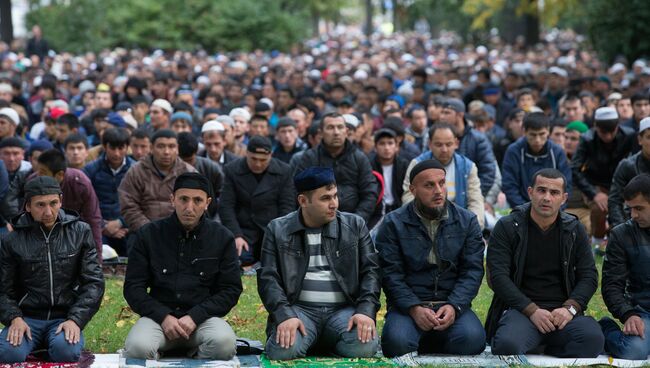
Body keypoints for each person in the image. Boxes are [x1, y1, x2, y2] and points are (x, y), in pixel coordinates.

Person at [257, 167, 381, 360]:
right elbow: (268, 278)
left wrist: (365, 311)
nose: (334, 204)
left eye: (335, 196)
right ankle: (313, 341)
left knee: (365, 345)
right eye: (325, 198)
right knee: (283, 350)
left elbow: (371, 272)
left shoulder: (355, 226)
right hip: (299, 310)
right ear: (303, 201)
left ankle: (321, 343)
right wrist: (284, 315)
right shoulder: (277, 229)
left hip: (343, 311)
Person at [123, 173, 242, 360]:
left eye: (197, 201)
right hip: (158, 320)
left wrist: (195, 316)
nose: (189, 207)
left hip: (202, 320)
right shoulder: (148, 235)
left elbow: (230, 290)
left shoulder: (222, 237)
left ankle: (194, 355)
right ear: (172, 200)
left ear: (207, 203)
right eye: (183, 199)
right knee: (138, 348)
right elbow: (133, 288)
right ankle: (165, 349)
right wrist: (163, 316)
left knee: (224, 343)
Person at [485, 168, 603, 357]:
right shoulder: (507, 226)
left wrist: (569, 308)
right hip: (522, 311)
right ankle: (539, 341)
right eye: (541, 190)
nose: (547, 197)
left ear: (564, 198)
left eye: (554, 192)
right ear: (530, 192)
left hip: (562, 314)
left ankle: (544, 344)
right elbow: (497, 277)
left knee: (593, 340)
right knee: (507, 346)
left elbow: (589, 276)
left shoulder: (575, 229)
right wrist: (531, 310)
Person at [376, 159, 486, 357]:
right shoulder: (393, 223)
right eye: (429, 185)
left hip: (450, 304)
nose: (438, 190)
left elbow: (473, 271)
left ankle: (427, 338)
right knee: (396, 344)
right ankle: (423, 336)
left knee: (473, 340)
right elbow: (390, 274)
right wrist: (414, 308)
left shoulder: (467, 221)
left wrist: (454, 306)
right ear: (413, 189)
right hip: (409, 307)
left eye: (442, 183)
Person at [0, 177, 104, 363]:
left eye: (53, 203)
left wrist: (75, 320)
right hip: (26, 318)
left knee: (66, 352)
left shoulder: (81, 232)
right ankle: (40, 346)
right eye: (40, 205)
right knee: (9, 354)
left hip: (64, 317)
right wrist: (14, 318)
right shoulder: (11, 240)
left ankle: (48, 345)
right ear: (28, 206)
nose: (48, 211)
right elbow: (2, 288)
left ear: (61, 201)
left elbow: (94, 283)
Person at [219, 136, 295, 269]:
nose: (258, 164)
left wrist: (281, 235)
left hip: (272, 228)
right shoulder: (232, 169)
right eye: (253, 159)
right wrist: (236, 235)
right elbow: (226, 206)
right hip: (243, 229)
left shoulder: (284, 171)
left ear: (270, 156)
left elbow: (287, 206)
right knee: (240, 257)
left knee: (280, 260)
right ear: (246, 153)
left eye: (263, 160)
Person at [292, 113, 378, 222]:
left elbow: (370, 193)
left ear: (346, 132)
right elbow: (297, 191)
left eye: (340, 127)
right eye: (330, 128)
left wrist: (357, 220)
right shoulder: (309, 158)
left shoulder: (359, 158)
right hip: (317, 220)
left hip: (353, 220)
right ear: (321, 133)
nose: (336, 132)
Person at [600, 174, 650, 360]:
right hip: (643, 312)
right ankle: (604, 329)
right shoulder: (621, 235)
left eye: (639, 208)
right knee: (633, 350)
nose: (633, 215)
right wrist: (628, 314)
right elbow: (611, 285)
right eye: (630, 209)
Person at [571, 106, 635, 247]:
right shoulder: (587, 139)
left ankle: (620, 242)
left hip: (623, 183)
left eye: (611, 132)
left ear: (617, 126)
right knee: (600, 207)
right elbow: (575, 169)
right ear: (595, 127)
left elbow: (636, 161)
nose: (608, 136)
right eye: (603, 132)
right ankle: (597, 242)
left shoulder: (629, 136)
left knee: (626, 210)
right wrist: (594, 193)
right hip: (596, 184)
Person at [402, 123, 485, 228]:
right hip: (424, 222)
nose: (444, 149)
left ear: (456, 143)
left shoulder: (468, 167)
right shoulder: (417, 164)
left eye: (449, 144)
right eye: (439, 145)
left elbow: (475, 200)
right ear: (430, 144)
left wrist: (474, 227)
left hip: (460, 223)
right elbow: (408, 197)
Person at [119, 129, 196, 232]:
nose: (166, 152)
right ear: (151, 148)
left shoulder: (189, 173)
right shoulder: (137, 171)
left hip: (180, 232)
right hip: (144, 232)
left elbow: (197, 205)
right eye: (161, 146)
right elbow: (129, 206)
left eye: (171, 146)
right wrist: (149, 230)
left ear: (177, 149)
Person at [32, 149, 103, 258]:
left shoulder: (80, 183)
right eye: (38, 171)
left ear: (60, 175)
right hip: (40, 234)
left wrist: (97, 260)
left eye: (43, 172)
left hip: (74, 234)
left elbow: (93, 220)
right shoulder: (33, 183)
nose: (38, 175)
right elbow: (25, 218)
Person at [83, 128, 136, 256]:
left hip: (128, 226)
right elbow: (84, 202)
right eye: (113, 148)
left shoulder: (136, 170)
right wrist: (103, 226)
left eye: (121, 148)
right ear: (105, 147)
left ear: (127, 147)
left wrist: (121, 223)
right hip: (97, 226)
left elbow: (142, 202)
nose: (117, 154)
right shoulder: (91, 170)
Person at [502, 112, 572, 208]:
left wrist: (555, 210)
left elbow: (566, 186)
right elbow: (509, 186)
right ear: (524, 132)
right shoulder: (514, 151)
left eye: (541, 134)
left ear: (548, 131)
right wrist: (525, 211)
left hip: (553, 208)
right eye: (533, 135)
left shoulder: (557, 152)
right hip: (521, 208)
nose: (537, 140)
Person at [438, 98, 497, 198]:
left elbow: (488, 172)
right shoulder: (436, 137)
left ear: (460, 114)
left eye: (447, 113)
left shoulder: (478, 139)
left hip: (471, 195)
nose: (442, 117)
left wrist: (473, 196)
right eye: (441, 113)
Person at [609, 118, 650, 228]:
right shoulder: (627, 165)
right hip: (633, 220)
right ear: (640, 139)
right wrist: (622, 228)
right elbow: (614, 200)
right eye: (649, 137)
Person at [177, 132, 223, 218]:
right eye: (183, 161)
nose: (187, 166)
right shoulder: (171, 170)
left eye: (190, 160)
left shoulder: (211, 168)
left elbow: (223, 197)